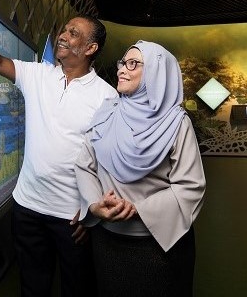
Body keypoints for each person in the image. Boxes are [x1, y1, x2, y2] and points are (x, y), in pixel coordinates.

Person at [0, 1, 118, 297]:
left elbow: (110, 161)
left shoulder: (107, 97)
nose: (63, 36)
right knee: (32, 288)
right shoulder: (38, 75)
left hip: (72, 218)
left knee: (77, 289)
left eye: (73, 33)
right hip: (27, 208)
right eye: (64, 30)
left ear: (91, 48)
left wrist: (92, 211)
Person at [75, 40, 206, 296]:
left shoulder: (177, 123)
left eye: (133, 64)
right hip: (108, 241)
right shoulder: (107, 112)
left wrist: (139, 210)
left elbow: (190, 186)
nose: (122, 69)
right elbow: (85, 165)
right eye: (122, 63)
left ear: (157, 73)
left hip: (159, 245)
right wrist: (94, 205)